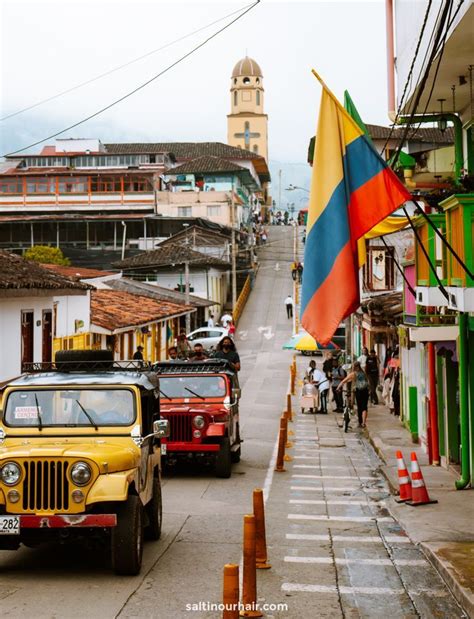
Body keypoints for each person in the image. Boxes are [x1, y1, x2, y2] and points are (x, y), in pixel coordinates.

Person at [338, 362, 369, 428]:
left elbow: (344, 381)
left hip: (359, 391)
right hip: (365, 391)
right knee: (364, 407)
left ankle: (360, 422)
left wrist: (338, 388)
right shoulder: (363, 373)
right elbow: (367, 381)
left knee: (359, 407)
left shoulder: (353, 374)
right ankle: (363, 423)